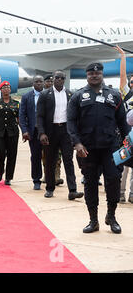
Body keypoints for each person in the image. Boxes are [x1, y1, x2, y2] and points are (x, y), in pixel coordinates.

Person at [67, 61, 129, 234]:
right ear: (87, 76)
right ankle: (93, 220)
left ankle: (111, 215)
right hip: (87, 149)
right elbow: (71, 122)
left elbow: (122, 122)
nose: (94, 76)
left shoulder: (114, 95)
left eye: (97, 73)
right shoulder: (78, 96)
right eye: (90, 74)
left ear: (102, 75)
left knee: (113, 180)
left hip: (111, 147)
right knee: (90, 183)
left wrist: (129, 142)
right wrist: (77, 143)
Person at [36, 70, 83, 200]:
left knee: (68, 161)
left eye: (62, 78)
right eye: (57, 77)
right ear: (53, 79)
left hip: (65, 132)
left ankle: (72, 190)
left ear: (64, 79)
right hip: (50, 132)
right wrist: (42, 133)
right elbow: (39, 116)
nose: (59, 80)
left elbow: (75, 116)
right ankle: (50, 188)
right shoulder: (45, 94)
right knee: (50, 161)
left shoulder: (70, 95)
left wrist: (75, 134)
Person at [19, 75, 44, 190]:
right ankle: (36, 179)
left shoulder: (49, 95)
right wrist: (24, 130)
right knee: (35, 156)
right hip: (33, 132)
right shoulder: (26, 97)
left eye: (41, 81)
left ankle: (50, 178)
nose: (39, 83)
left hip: (47, 131)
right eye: (36, 81)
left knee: (49, 156)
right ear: (33, 83)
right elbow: (22, 115)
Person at [117, 46, 133, 204]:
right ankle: (120, 193)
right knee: (123, 166)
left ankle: (132, 194)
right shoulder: (126, 93)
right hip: (127, 137)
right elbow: (122, 76)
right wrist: (123, 57)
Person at [41, 74, 64, 185]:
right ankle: (47, 175)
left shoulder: (59, 94)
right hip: (45, 131)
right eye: (48, 81)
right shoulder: (44, 95)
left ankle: (56, 175)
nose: (49, 83)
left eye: (51, 81)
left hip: (58, 130)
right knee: (46, 156)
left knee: (58, 156)